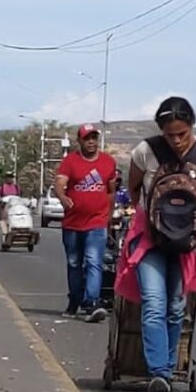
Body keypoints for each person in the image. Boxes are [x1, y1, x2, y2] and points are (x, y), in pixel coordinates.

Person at [127, 96, 196, 392]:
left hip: (185, 242)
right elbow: (134, 189)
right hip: (150, 240)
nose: (177, 140)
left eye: (182, 133)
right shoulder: (145, 151)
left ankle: (163, 374)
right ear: (161, 131)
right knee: (154, 304)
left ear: (191, 126)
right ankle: (161, 375)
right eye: (170, 134)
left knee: (176, 308)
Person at [54, 124, 117, 321]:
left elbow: (110, 190)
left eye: (94, 138)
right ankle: (75, 300)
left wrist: (109, 216)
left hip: (97, 222)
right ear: (79, 141)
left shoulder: (108, 162)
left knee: (93, 262)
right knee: (74, 263)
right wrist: (63, 197)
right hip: (73, 223)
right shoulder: (70, 161)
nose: (91, 142)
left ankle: (92, 303)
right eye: (86, 138)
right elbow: (59, 183)